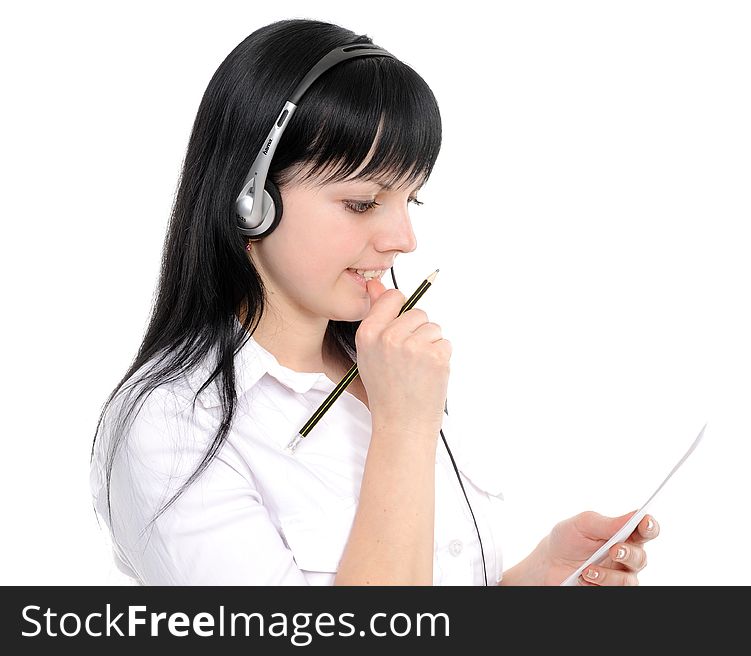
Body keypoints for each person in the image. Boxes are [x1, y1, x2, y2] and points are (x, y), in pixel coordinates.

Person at [89, 18, 658, 586]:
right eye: (363, 202)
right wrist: (405, 425)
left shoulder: (379, 367)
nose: (403, 238)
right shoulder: (174, 425)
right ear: (251, 201)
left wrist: (534, 581)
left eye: (411, 198)